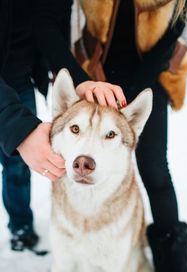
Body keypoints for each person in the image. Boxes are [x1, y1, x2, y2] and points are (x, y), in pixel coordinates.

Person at [32, 0, 187, 272]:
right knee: (81, 152)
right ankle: (73, 236)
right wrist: (80, 80)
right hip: (93, 71)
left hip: (149, 73)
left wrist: (132, 92)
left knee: (155, 168)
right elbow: (48, 17)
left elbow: (173, 30)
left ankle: (173, 268)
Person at [0, 0, 125, 252]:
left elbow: (46, 23)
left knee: (15, 165)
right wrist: (17, 127)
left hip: (18, 76)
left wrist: (80, 80)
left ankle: (20, 226)